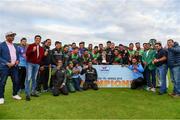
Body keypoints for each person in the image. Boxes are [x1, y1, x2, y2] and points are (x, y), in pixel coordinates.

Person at [0, 32, 21, 104]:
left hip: (14, 67)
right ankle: (1, 97)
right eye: (11, 36)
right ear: (7, 37)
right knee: (2, 82)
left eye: (13, 36)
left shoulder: (15, 45)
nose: (13, 37)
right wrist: (6, 63)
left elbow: (17, 55)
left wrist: (18, 60)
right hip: (4, 67)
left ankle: (15, 94)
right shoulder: (1, 45)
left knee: (16, 81)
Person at [25, 35, 44, 101]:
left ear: (40, 40)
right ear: (35, 39)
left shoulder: (41, 48)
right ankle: (27, 94)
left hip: (37, 65)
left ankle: (33, 92)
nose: (38, 40)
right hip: (30, 63)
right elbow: (27, 54)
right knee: (28, 78)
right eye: (37, 39)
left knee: (34, 79)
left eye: (39, 39)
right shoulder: (30, 46)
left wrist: (40, 65)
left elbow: (41, 57)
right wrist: (32, 51)